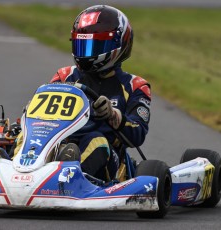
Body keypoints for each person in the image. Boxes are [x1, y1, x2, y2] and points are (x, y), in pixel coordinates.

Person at [49, 5, 151, 182]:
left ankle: (66, 177)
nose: (85, 54)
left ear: (117, 46)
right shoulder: (65, 76)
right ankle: (10, 164)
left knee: (96, 140)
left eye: (94, 46)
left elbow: (137, 135)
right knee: (25, 134)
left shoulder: (134, 86)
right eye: (82, 45)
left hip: (109, 161)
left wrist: (114, 115)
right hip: (60, 143)